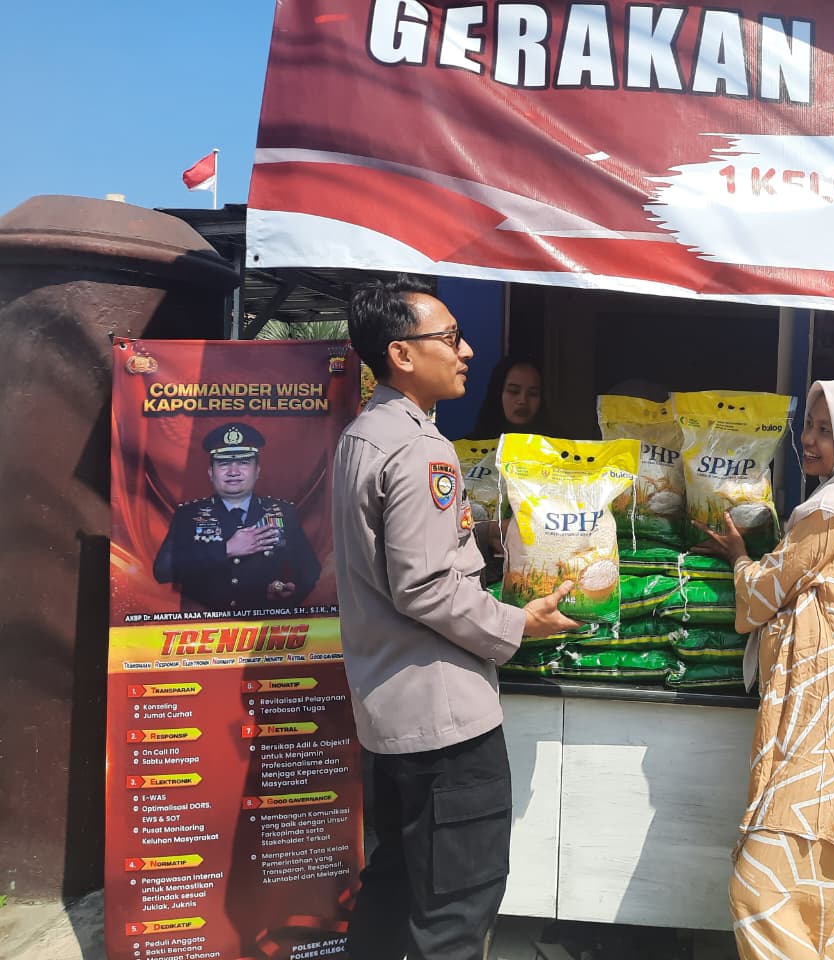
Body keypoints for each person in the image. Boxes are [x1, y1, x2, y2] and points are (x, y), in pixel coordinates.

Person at [333, 274, 580, 960]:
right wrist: (517, 624)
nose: (466, 351)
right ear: (402, 354)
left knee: (393, 886)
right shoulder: (422, 448)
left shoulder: (363, 435)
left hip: (390, 714)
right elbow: (425, 586)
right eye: (449, 338)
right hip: (444, 723)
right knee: (455, 911)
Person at [696, 379, 834, 960]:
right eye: (811, 426)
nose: (810, 439)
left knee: (759, 892)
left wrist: (739, 558)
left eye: (828, 429)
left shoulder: (830, 513)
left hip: (828, 729)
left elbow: (760, 598)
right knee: (816, 908)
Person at [153, 422, 320, 613]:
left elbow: (310, 572)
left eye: (243, 462)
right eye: (223, 463)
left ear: (257, 471)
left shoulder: (283, 513)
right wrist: (226, 549)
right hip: (206, 626)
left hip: (264, 627)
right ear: (211, 473)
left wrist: (288, 593)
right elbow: (162, 571)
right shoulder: (188, 516)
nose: (234, 472)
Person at [465, 355, 555, 437]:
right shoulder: (471, 447)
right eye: (514, 391)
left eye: (533, 394)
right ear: (498, 394)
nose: (523, 400)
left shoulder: (557, 445)